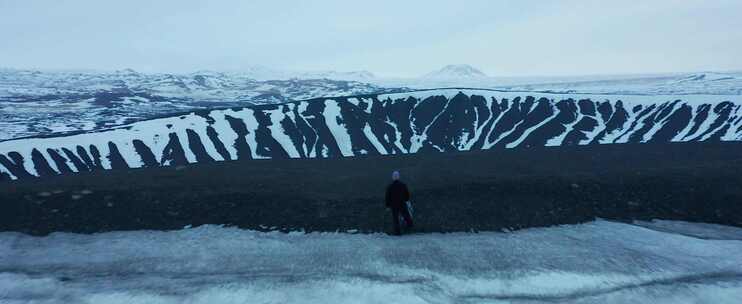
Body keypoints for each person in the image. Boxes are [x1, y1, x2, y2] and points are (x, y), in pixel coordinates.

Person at [385, 170, 413, 235]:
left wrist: (387, 206)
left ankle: (397, 232)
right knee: (406, 216)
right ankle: (410, 226)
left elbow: (387, 196)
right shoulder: (403, 185)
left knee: (396, 218)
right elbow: (407, 195)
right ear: (399, 177)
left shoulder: (390, 186)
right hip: (402, 203)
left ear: (392, 177)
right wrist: (406, 200)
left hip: (393, 205)